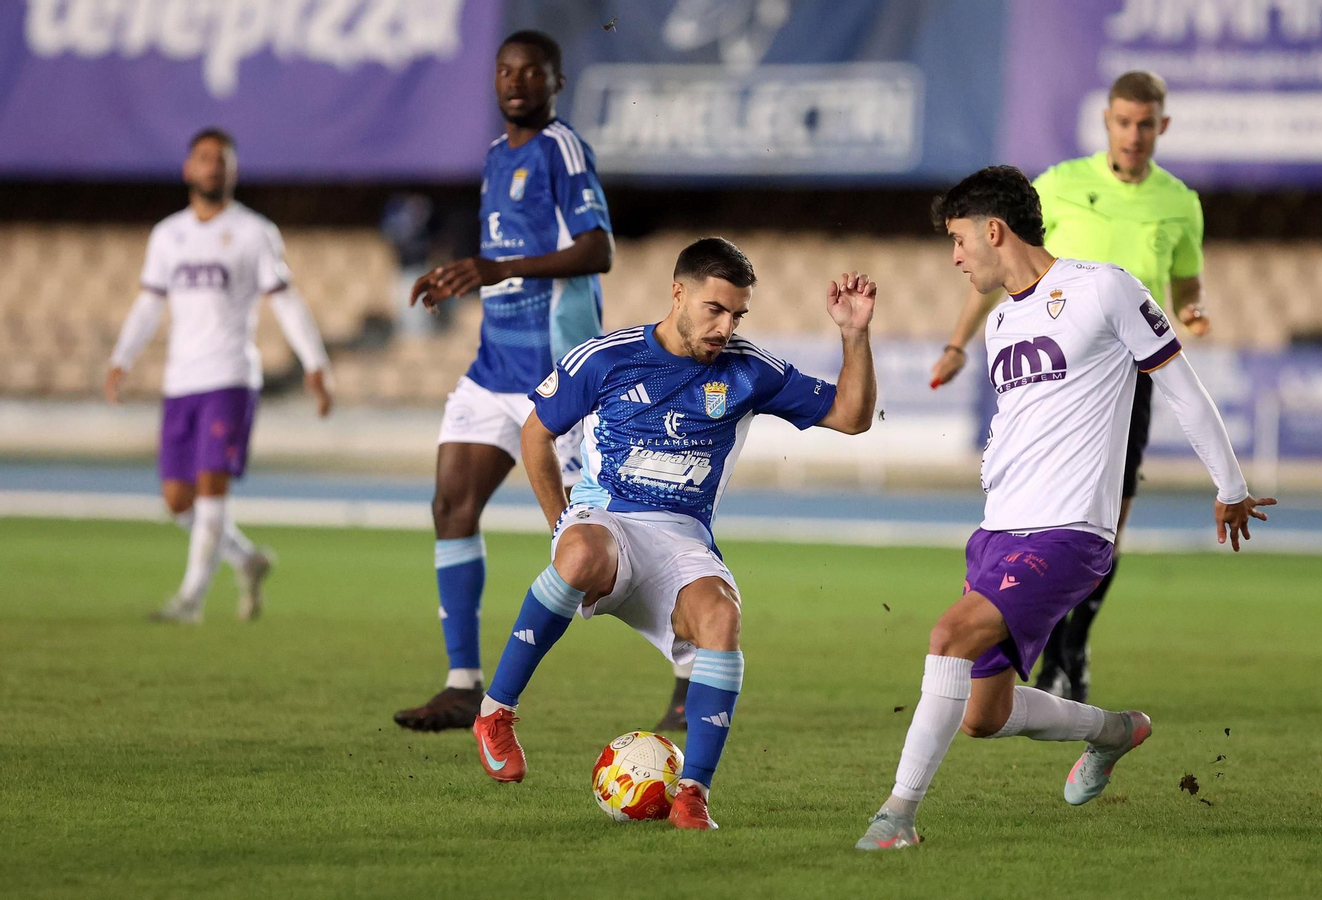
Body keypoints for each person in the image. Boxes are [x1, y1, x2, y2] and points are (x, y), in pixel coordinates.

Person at [857, 166, 1272, 851]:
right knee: (982, 716)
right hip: (995, 533)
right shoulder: (1001, 325)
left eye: (959, 240)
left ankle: (896, 816)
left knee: (946, 637)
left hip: (1067, 534)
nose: (955, 257)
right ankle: (1113, 733)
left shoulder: (1103, 288)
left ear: (994, 230)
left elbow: (1180, 386)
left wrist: (1229, 485)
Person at [471, 238, 878, 831]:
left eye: (737, 314)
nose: (725, 326)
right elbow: (536, 433)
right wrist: (560, 523)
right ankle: (495, 713)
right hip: (606, 519)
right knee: (581, 553)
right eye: (714, 309)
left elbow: (853, 415)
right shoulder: (606, 358)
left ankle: (692, 793)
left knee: (722, 618)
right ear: (678, 293)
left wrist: (854, 334)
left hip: (682, 539)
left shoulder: (748, 369)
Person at [929, 71, 1208, 702]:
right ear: (1107, 121)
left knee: (1108, 524)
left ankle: (1072, 642)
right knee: (1032, 515)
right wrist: (956, 345)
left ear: (1161, 127)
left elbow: (1186, 286)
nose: (1133, 135)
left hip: (1123, 373)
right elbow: (999, 264)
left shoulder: (1180, 203)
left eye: (1146, 124)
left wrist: (1192, 313)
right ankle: (1050, 643)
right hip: (1053, 365)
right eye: (1123, 121)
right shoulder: (1058, 185)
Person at [392, 30, 619, 732]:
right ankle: (463, 684)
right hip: (495, 368)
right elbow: (507, 254)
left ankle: (687, 661)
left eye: (532, 72)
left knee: (599, 536)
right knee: (450, 503)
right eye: (505, 71)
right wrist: (464, 272)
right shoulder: (496, 157)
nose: (516, 82)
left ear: (556, 82)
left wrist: (495, 269)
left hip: (557, 373)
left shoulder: (563, 148)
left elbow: (598, 249)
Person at [105, 127, 333, 624]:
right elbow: (150, 301)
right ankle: (247, 560)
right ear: (189, 168)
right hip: (179, 381)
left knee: (212, 487)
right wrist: (122, 356)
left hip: (230, 376)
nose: (213, 167)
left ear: (233, 170)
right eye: (204, 158)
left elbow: (285, 301)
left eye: (221, 159)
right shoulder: (168, 235)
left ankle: (190, 601)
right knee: (176, 500)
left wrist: (315, 362)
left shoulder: (254, 232)